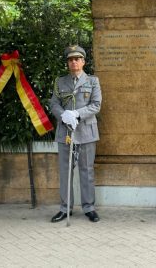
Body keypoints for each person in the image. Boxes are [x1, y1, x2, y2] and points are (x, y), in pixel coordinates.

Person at [50, 45, 102, 223]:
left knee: (87, 170)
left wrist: (77, 114)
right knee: (65, 171)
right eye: (70, 59)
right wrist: (63, 115)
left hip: (86, 131)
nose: (74, 62)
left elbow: (96, 105)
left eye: (77, 59)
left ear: (83, 62)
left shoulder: (93, 81)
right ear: (68, 63)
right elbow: (54, 104)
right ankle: (65, 208)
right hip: (65, 132)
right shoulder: (60, 82)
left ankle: (89, 207)